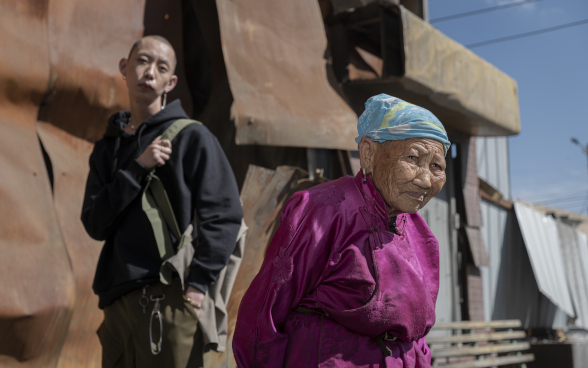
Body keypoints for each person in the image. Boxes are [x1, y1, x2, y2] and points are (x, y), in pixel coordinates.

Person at [232, 94, 450, 367]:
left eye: (436, 166)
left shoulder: (423, 236)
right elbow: (264, 313)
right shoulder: (322, 209)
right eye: (413, 158)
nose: (426, 179)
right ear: (369, 154)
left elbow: (418, 336)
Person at [81, 35, 243, 368]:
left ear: (170, 82)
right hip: (116, 305)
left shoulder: (192, 137)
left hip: (170, 296)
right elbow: (95, 224)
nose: (149, 72)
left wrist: (197, 286)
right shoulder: (107, 149)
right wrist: (137, 168)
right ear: (125, 68)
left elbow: (224, 215)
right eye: (142, 61)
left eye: (161, 67)